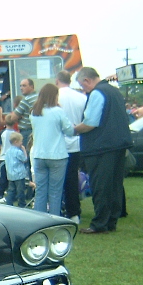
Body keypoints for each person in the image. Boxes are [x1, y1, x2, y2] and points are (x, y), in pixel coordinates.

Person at [74, 67, 132, 234]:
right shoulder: (114, 92)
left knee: (101, 186)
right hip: (119, 145)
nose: (83, 89)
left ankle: (99, 223)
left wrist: (75, 129)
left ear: (87, 80)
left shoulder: (97, 93)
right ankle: (111, 222)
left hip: (101, 146)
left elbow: (90, 123)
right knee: (114, 185)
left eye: (82, 85)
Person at [30, 84, 73, 216]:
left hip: (39, 154)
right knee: (55, 192)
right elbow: (69, 131)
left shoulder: (34, 112)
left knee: (41, 191)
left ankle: (39, 219)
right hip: (57, 155)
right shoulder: (58, 111)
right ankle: (54, 219)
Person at [56, 71, 87, 222]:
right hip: (75, 142)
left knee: (56, 179)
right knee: (72, 179)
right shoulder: (81, 97)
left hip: (58, 144)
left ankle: (56, 209)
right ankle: (74, 212)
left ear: (57, 80)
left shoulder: (55, 97)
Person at [4, 78, 37, 148]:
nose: (21, 88)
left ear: (31, 86)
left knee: (26, 155)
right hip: (37, 130)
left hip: (26, 131)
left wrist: (18, 116)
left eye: (24, 86)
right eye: (20, 86)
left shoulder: (26, 100)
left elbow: (13, 118)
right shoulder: (39, 97)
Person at [3, 131, 28, 207]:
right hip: (19, 175)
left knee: (11, 190)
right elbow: (25, 159)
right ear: (16, 141)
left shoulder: (8, 152)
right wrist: (24, 150)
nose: (22, 143)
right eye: (21, 141)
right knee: (20, 191)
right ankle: (22, 204)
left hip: (10, 174)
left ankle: (9, 203)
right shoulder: (18, 152)